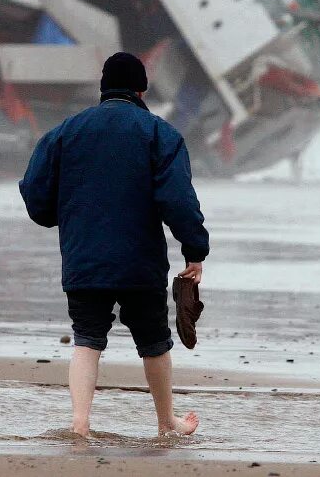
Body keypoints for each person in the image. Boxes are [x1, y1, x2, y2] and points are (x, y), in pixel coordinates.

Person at [19, 52, 209, 438]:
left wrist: (60, 217)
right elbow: (178, 199)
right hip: (140, 261)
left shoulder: (64, 132)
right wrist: (194, 250)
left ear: (103, 88)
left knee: (87, 339)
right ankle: (165, 424)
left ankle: (80, 424)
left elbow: (35, 191)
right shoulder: (159, 134)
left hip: (83, 258)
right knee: (154, 342)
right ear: (141, 90)